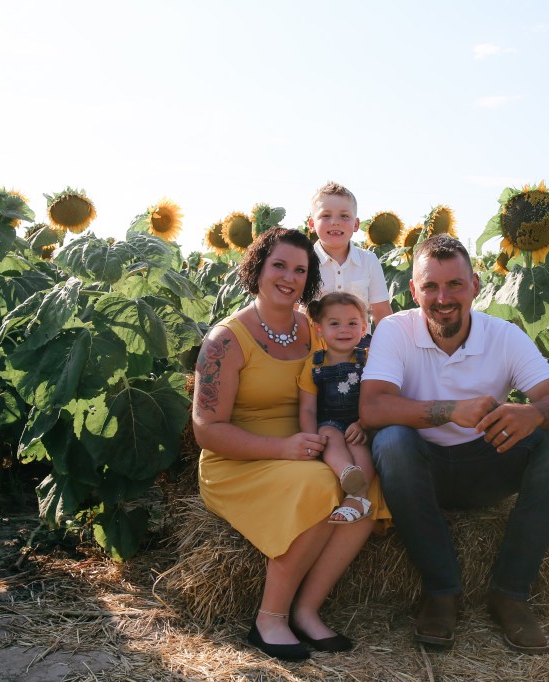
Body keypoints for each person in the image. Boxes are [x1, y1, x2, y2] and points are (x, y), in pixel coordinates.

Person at [359, 235, 549, 653]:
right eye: (430, 286)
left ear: (475, 285)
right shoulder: (395, 330)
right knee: (391, 440)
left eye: (455, 284)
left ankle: (511, 594)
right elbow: (372, 408)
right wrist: (449, 410)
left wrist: (534, 413)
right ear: (414, 291)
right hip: (420, 472)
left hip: (486, 467)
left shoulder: (504, 336)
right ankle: (442, 592)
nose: (443, 298)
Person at [192, 227, 388, 662]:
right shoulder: (226, 340)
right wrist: (281, 449)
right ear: (256, 268)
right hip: (240, 459)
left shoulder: (314, 328)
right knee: (320, 485)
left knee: (367, 489)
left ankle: (307, 610)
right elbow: (207, 430)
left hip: (311, 445)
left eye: (300, 270)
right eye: (278, 265)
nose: (289, 277)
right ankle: (270, 617)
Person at [298, 292, 375, 525]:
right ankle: (347, 472)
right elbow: (308, 408)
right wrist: (311, 440)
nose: (344, 330)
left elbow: (376, 397)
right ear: (319, 329)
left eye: (352, 323)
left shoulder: (368, 359)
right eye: (334, 324)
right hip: (329, 422)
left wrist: (363, 423)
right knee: (328, 436)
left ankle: (358, 496)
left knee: (357, 444)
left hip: (359, 422)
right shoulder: (314, 364)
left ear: (363, 328)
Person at [308, 182, 392, 334]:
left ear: (356, 224)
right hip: (313, 343)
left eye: (344, 216)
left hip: (360, 345)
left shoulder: (369, 261)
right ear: (312, 224)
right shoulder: (304, 261)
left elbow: (382, 313)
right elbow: (293, 310)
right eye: (326, 216)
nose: (335, 222)